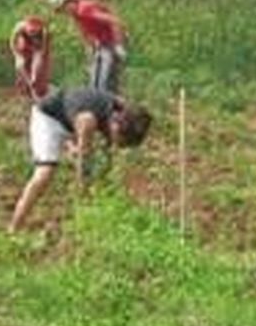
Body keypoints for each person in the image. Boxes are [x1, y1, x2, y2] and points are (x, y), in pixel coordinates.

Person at [8, 86, 152, 232]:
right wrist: (84, 194)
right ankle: (15, 226)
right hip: (49, 119)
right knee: (45, 172)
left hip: (71, 120)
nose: (120, 146)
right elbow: (83, 166)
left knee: (85, 152)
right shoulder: (88, 121)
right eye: (121, 142)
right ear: (116, 127)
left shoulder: (122, 108)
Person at [49, 0, 127, 94]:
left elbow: (114, 21)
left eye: (63, 8)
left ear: (69, 1)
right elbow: (85, 33)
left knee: (105, 79)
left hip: (111, 43)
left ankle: (108, 100)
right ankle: (99, 98)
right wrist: (90, 48)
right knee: (95, 79)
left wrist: (118, 44)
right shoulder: (76, 15)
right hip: (101, 44)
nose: (64, 12)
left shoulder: (84, 9)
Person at [9, 14, 53, 101]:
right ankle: (26, 86)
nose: (32, 35)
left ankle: (38, 88)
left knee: (39, 69)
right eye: (31, 32)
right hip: (24, 47)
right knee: (21, 65)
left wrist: (36, 73)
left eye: (35, 33)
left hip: (38, 48)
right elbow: (12, 43)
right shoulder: (19, 28)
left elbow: (44, 52)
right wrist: (17, 56)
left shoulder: (45, 33)